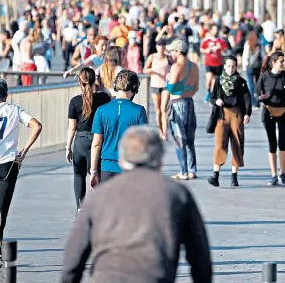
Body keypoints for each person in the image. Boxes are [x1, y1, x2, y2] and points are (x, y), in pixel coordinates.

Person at [61, 126, 212, 283]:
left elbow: (74, 257)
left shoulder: (99, 196)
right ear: (160, 160)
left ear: (121, 159)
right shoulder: (177, 194)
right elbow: (200, 257)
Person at [0, 79, 42, 270]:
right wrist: (24, 151)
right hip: (8, 165)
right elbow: (37, 125)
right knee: (1, 210)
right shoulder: (14, 109)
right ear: (6, 95)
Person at [90, 70, 147, 186]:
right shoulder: (139, 111)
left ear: (116, 86)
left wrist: (93, 171)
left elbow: (96, 143)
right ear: (135, 87)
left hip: (107, 168)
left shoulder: (101, 110)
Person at [66, 68, 111, 213]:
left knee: (78, 175)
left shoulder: (75, 101)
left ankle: (80, 209)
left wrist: (68, 147)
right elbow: (108, 95)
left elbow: (72, 127)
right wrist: (99, 83)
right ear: (95, 80)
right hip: (97, 141)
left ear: (79, 81)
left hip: (80, 141)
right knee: (96, 173)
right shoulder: (104, 98)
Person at [208, 56, 251, 187]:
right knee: (220, 144)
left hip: (236, 114)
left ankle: (234, 175)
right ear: (224, 67)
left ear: (236, 67)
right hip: (222, 115)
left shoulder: (241, 82)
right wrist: (216, 101)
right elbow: (212, 97)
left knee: (237, 144)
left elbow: (247, 99)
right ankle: (216, 174)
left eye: (233, 66)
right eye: (228, 66)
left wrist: (247, 114)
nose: (231, 69)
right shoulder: (218, 81)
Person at [256, 51, 285, 185]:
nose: (283, 64)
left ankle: (282, 173)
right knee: (272, 143)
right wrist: (261, 97)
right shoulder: (265, 76)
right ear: (273, 63)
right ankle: (274, 174)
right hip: (268, 111)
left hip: (284, 110)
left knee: (283, 142)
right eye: (281, 61)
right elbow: (258, 92)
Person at [166, 39, 200, 180]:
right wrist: (187, 92)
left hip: (177, 102)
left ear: (178, 52)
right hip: (189, 102)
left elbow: (172, 88)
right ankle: (192, 170)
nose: (171, 53)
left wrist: (168, 79)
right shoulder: (194, 66)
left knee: (179, 138)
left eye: (172, 50)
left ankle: (183, 171)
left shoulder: (176, 67)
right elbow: (196, 87)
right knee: (190, 139)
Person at [143, 39, 171, 140]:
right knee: (158, 110)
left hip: (166, 86)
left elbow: (174, 67)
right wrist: (153, 71)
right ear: (156, 47)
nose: (162, 47)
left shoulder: (169, 57)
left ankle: (165, 131)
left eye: (163, 45)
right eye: (160, 45)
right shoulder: (152, 57)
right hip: (155, 85)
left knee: (164, 108)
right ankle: (160, 130)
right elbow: (145, 70)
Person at [200, 24, 228, 103]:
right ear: (211, 31)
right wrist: (206, 51)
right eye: (214, 30)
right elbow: (202, 49)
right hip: (209, 63)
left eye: (216, 30)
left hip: (218, 64)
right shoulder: (207, 40)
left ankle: (212, 95)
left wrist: (221, 48)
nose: (215, 31)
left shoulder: (221, 41)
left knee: (214, 82)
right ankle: (208, 92)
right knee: (208, 79)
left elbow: (226, 51)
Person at [241, 30, 265, 109]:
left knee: (251, 85)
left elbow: (245, 56)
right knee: (258, 85)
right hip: (258, 67)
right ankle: (257, 102)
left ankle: (253, 101)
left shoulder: (248, 44)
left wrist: (244, 66)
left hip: (250, 67)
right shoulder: (260, 45)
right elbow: (263, 55)